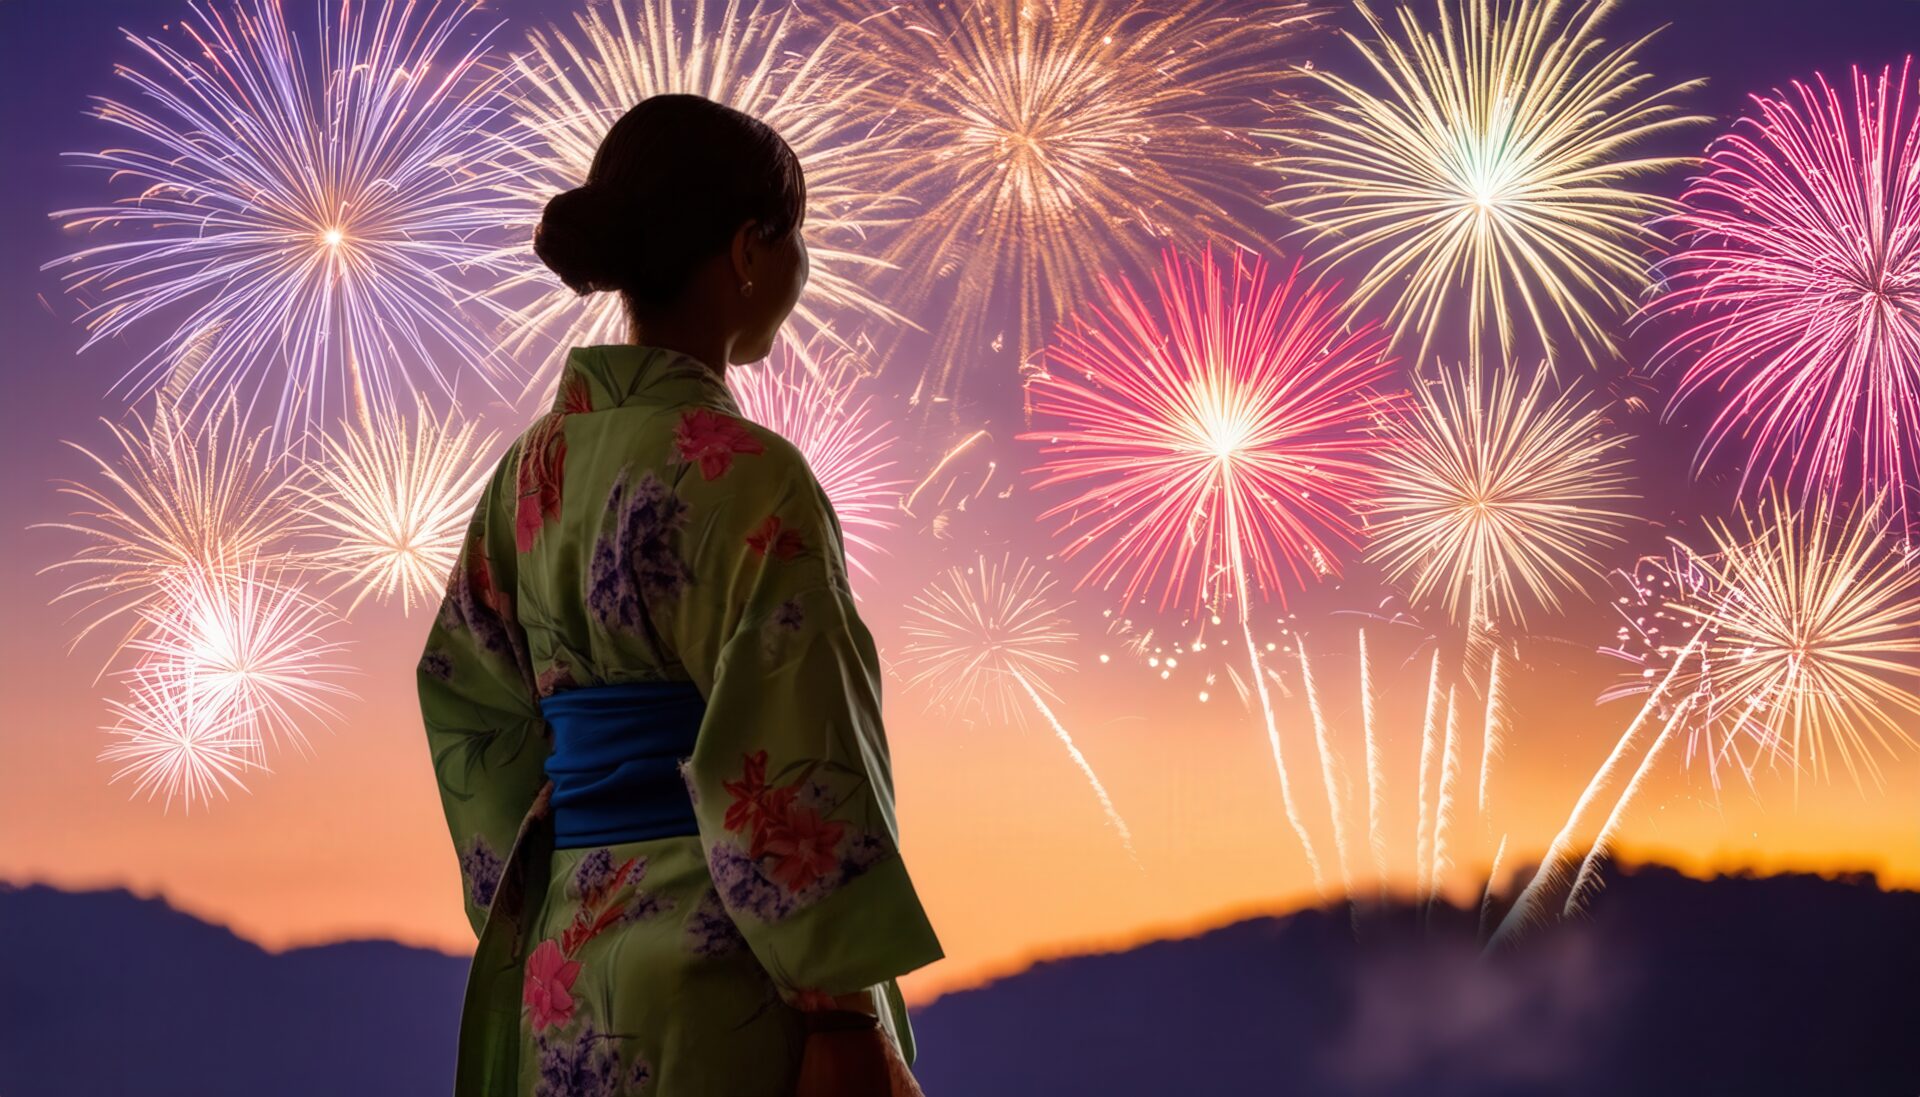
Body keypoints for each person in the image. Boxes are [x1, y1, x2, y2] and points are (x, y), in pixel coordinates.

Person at [416, 93, 944, 1096]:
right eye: (798, 239)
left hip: (567, 964)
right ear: (749, 250)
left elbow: (467, 697)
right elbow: (800, 751)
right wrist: (839, 1007)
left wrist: (566, 855)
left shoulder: (529, 477)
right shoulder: (754, 477)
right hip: (728, 976)